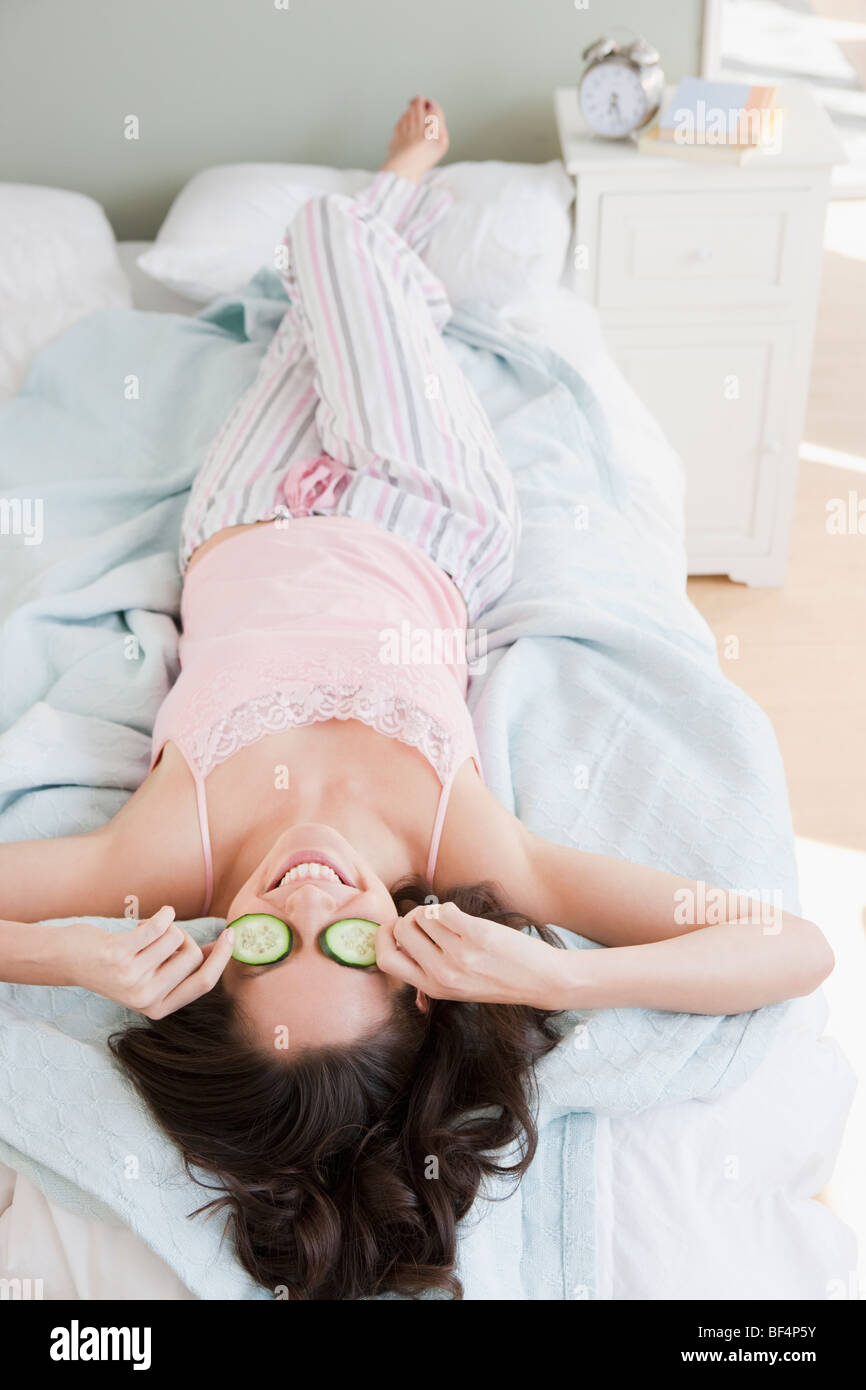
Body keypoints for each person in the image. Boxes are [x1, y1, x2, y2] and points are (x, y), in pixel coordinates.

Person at [0, 98, 833, 1299]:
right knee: (329, 245)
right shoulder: (466, 848)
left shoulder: (157, 860)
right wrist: (559, 976)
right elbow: (787, 948)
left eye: (258, 941)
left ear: (205, 961)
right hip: (423, 506)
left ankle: (382, 256)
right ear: (410, 963)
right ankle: (398, 192)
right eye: (345, 940)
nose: (303, 893)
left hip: (241, 510)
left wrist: (58, 953)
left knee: (305, 312)